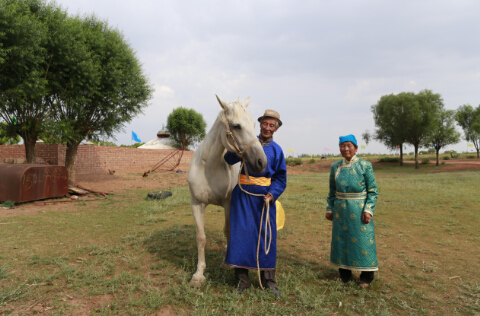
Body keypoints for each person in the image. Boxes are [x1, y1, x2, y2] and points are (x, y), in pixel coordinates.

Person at [224, 109, 287, 297]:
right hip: (242, 195)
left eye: (271, 125)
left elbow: (281, 179)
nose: (267, 128)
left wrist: (272, 194)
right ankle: (242, 281)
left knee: (266, 237)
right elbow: (228, 159)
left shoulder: (277, 150)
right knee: (240, 236)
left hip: (264, 199)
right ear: (260, 124)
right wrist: (239, 150)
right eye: (265, 124)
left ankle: (269, 281)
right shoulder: (248, 142)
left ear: (276, 128)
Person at [325, 134, 379, 288]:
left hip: (360, 209)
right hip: (340, 210)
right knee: (341, 241)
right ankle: (345, 274)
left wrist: (368, 210)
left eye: (349, 145)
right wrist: (329, 208)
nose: (346, 148)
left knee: (363, 241)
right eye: (343, 145)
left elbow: (373, 191)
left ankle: (366, 277)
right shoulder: (335, 166)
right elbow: (332, 190)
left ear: (356, 148)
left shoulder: (365, 166)